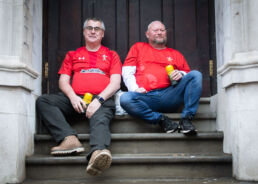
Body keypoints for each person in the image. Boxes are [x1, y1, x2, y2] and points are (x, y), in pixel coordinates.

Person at [36, 18, 122, 176]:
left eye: (97, 29)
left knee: (100, 119)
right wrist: (72, 97)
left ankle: (98, 153)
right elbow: (63, 81)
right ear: (84, 32)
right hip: (76, 100)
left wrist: (99, 100)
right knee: (44, 100)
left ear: (102, 34)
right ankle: (68, 139)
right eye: (89, 28)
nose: (93, 31)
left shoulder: (111, 55)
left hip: (100, 100)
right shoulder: (73, 54)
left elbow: (115, 83)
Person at [120, 20, 202, 134]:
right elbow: (127, 71)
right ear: (147, 34)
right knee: (125, 98)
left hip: (170, 95)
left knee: (196, 75)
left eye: (162, 30)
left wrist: (181, 74)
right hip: (146, 97)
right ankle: (162, 120)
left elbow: (189, 75)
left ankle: (186, 120)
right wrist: (134, 89)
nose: (159, 32)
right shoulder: (138, 48)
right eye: (155, 30)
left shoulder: (175, 54)